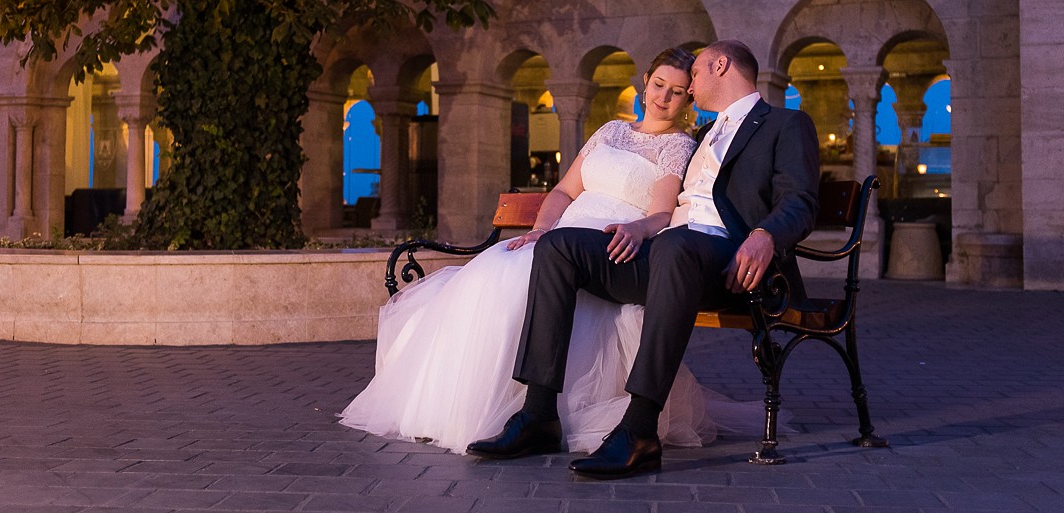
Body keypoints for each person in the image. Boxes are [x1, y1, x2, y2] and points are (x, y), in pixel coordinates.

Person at [340, 45, 757, 454]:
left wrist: (638, 229)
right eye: (659, 84)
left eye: (677, 91)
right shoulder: (610, 131)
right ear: (645, 83)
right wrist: (540, 229)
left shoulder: (678, 145)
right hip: (561, 234)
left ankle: (537, 413)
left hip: (608, 241)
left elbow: (661, 214)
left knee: (518, 282)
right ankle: (465, 409)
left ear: (687, 99)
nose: (664, 97)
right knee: (488, 276)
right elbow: (563, 191)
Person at [467, 39, 820, 479]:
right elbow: (665, 211)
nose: (688, 86)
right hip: (672, 252)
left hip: (730, 263)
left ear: (721, 64)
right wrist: (637, 228)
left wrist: (765, 234)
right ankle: (538, 415)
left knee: (676, 245)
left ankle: (638, 431)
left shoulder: (785, 124)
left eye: (694, 76)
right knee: (561, 247)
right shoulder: (705, 136)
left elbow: (802, 200)